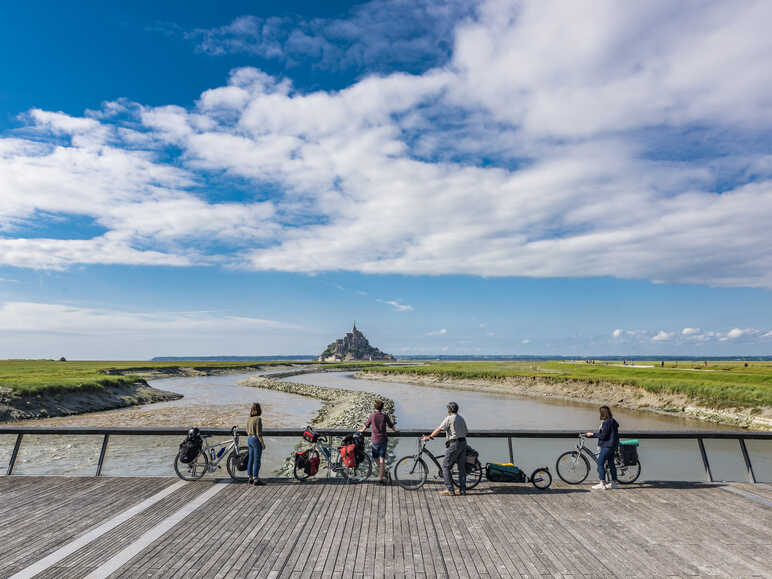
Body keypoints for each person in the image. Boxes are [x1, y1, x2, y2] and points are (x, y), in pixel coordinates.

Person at [423, 402, 468, 496]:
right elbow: (466, 432)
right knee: (461, 468)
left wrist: (429, 436)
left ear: (449, 410)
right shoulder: (461, 418)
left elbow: (439, 429)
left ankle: (450, 489)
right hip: (463, 443)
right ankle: (462, 490)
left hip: (454, 443)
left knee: (445, 466)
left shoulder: (449, 418)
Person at [360, 399, 398, 484]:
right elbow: (391, 425)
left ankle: (383, 476)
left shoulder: (372, 416)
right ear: (382, 408)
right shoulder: (385, 416)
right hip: (383, 440)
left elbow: (366, 425)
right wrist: (395, 430)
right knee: (382, 460)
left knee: (375, 458)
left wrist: (362, 430)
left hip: (375, 440)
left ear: (375, 407)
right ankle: (382, 476)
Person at [585, 405, 619, 490]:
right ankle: (614, 483)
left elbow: (603, 436)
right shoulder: (613, 421)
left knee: (600, 463)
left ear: (602, 413)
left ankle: (602, 483)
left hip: (607, 446)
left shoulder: (606, 422)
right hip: (613, 445)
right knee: (611, 464)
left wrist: (592, 434)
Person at [247, 402, 266, 486]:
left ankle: (250, 477)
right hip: (255, 439)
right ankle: (256, 479)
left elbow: (246, 431)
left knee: (250, 459)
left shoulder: (249, 418)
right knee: (257, 460)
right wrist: (262, 443)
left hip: (249, 439)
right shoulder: (258, 419)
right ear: (259, 410)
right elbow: (259, 433)